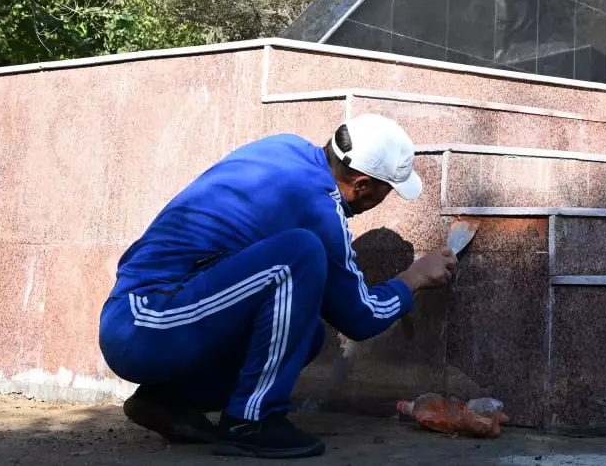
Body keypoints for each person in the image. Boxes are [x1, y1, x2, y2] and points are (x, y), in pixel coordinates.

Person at [98, 114, 458, 458]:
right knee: (299, 253)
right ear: (361, 186)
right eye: (387, 191)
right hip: (145, 324)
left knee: (306, 335)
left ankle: (167, 401)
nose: (384, 199)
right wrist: (414, 278)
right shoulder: (319, 205)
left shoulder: (285, 149)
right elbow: (359, 316)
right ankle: (251, 421)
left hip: (150, 320)